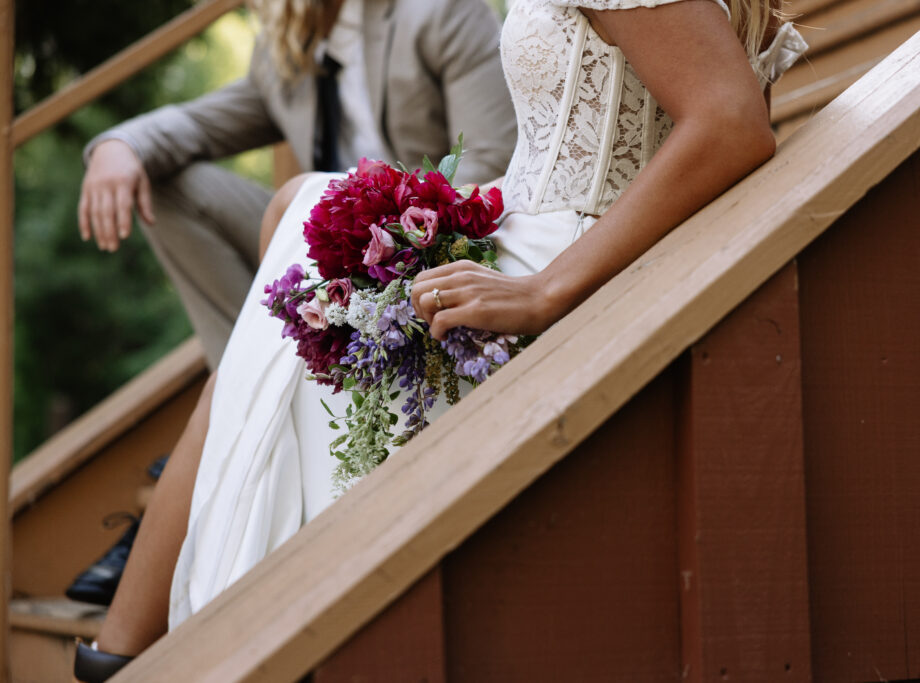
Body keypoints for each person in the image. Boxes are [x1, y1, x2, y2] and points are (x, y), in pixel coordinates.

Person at [72, 0, 807, 679]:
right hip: (525, 240)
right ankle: (123, 652)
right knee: (300, 227)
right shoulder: (293, 42)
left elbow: (730, 121)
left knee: (295, 274)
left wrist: (543, 291)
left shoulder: (436, 12)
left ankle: (118, 654)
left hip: (562, 268)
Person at [77, 0, 516, 369]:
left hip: (428, 249)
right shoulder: (282, 50)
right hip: (328, 257)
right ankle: (244, 384)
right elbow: (199, 123)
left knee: (300, 198)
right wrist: (122, 143)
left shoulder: (440, 11)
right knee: (164, 183)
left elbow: (488, 163)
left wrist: (385, 238)